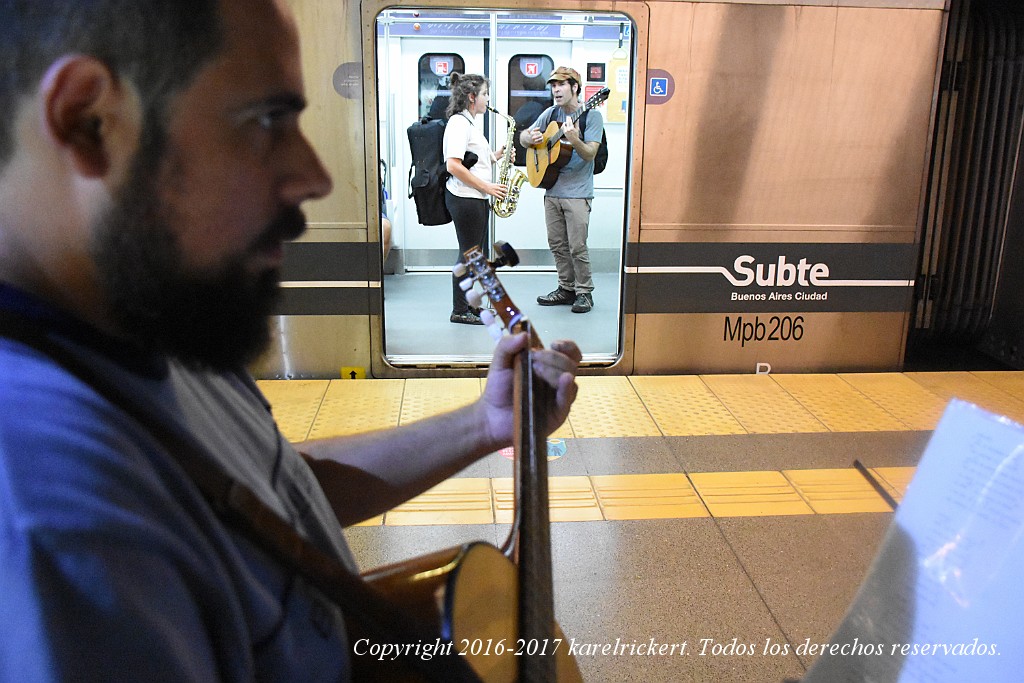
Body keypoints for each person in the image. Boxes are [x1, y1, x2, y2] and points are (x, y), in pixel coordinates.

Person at [0, 1, 581, 680]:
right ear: (87, 119)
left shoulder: (158, 324)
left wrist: (483, 425)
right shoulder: (57, 523)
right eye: (267, 121)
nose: (315, 176)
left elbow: (271, 487)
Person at [520, 66, 602, 314]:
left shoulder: (592, 116)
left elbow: (590, 155)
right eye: (553, 86)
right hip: (552, 189)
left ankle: (584, 292)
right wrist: (529, 138)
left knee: (577, 246)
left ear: (575, 87)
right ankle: (566, 288)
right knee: (557, 244)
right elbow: (524, 137)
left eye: (561, 85)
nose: (556, 90)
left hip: (578, 192)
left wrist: (574, 139)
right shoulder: (550, 113)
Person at [443, 72, 508, 325]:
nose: (487, 98)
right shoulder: (459, 123)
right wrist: (488, 187)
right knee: (468, 254)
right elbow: (453, 165)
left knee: (474, 255)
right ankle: (459, 310)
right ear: (472, 97)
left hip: (474, 196)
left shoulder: (469, 123)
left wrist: (497, 155)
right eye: (484, 94)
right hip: (466, 197)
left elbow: (474, 159)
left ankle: (468, 307)